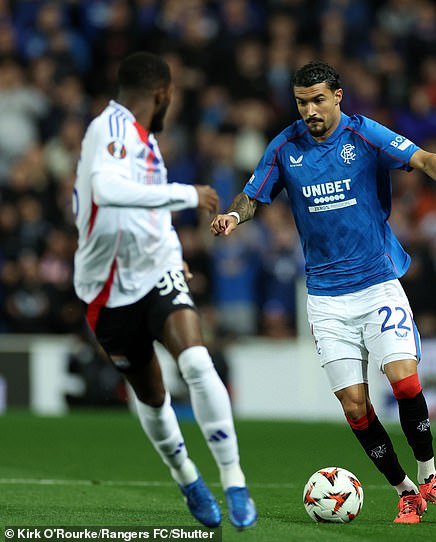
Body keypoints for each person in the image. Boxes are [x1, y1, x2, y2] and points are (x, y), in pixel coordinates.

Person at [211, 61, 436, 524]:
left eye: (318, 99)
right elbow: (253, 195)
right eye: (301, 102)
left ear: (338, 95)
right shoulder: (285, 146)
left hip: (377, 284)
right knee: (355, 405)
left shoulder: (364, 134)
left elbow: (420, 157)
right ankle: (406, 490)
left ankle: (430, 474)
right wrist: (234, 216)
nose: (310, 110)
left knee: (405, 379)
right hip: (327, 299)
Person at [72, 52, 257, 530]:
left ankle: (234, 479)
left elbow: (148, 215)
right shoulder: (109, 129)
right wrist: (186, 194)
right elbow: (107, 189)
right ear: (162, 94)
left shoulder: (146, 143)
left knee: (196, 360)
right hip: (106, 291)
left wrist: (173, 252)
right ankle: (187, 476)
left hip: (156, 271)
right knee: (152, 395)